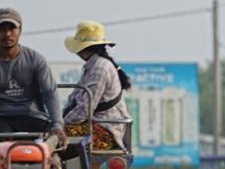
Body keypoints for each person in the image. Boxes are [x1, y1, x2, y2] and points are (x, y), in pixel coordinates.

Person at [0, 8, 67, 143]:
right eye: (2, 29)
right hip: (2, 119)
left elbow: (50, 93)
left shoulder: (35, 59)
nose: (7, 34)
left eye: (12, 29)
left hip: (33, 117)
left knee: (55, 146)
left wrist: (57, 124)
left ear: (20, 30)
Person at [63, 22, 132, 150]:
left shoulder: (99, 68)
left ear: (83, 48)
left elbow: (85, 109)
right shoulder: (93, 66)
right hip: (94, 124)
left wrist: (61, 124)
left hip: (104, 130)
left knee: (52, 137)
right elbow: (75, 99)